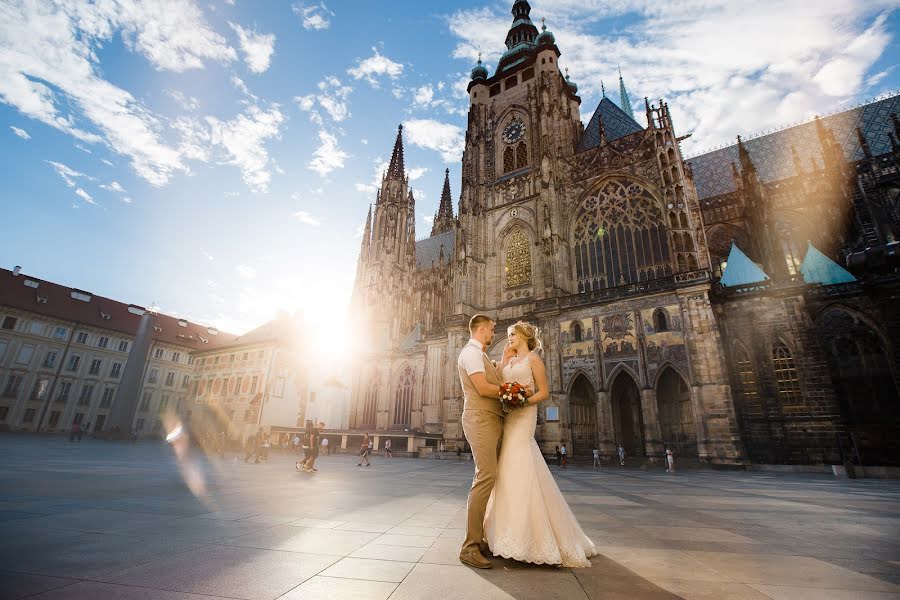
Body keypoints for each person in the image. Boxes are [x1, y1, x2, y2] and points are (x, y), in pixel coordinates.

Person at [483, 320, 598, 568]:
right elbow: (500, 381)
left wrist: (523, 401)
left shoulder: (534, 359)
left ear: (524, 336)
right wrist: (503, 359)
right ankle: (506, 533)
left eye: (512, 334)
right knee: (507, 467)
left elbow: (543, 392)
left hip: (524, 415)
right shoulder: (511, 360)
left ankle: (529, 536)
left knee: (520, 460)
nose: (509, 337)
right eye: (508, 335)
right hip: (509, 416)